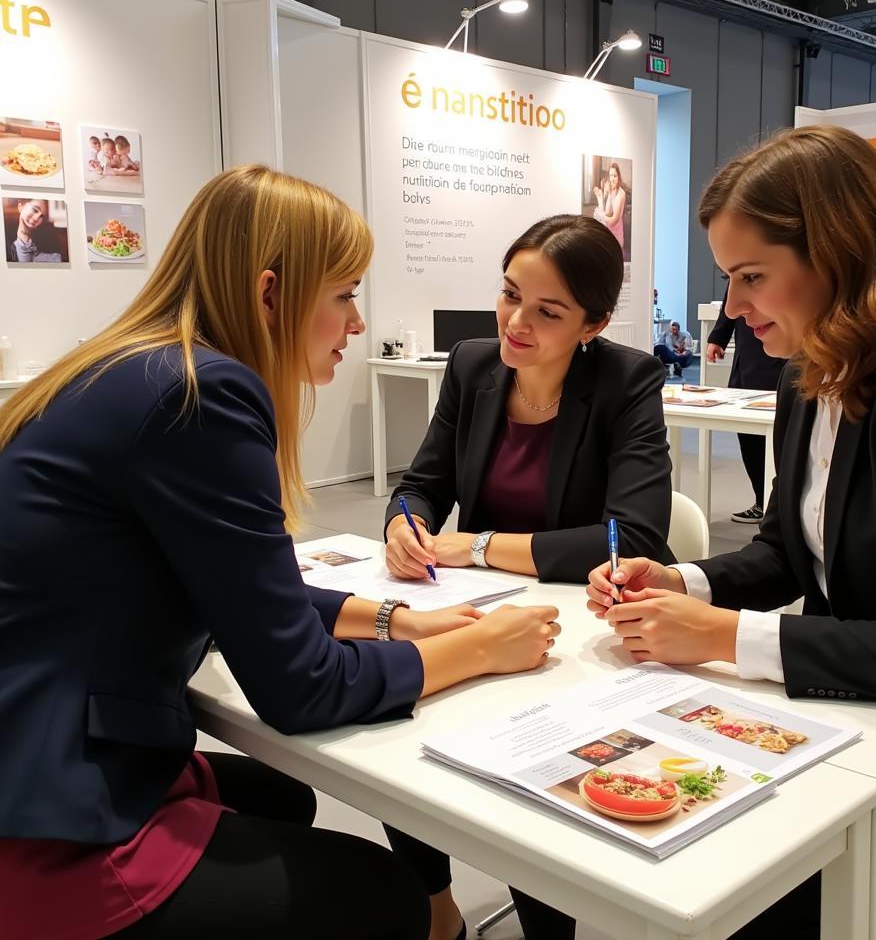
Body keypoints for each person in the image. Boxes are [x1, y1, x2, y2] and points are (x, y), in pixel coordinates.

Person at [0, 165, 561, 940]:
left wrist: (394, 618)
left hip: (39, 740)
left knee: (282, 798)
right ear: (271, 295)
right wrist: (480, 648)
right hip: (42, 820)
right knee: (383, 894)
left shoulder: (128, 366)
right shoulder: (200, 396)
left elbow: (236, 586)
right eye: (345, 295)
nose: (357, 323)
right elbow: (299, 691)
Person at [586, 124, 876, 940]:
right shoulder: (809, 373)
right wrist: (681, 582)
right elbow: (792, 551)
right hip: (870, 723)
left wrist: (722, 636)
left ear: (842, 254)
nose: (735, 308)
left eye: (752, 277)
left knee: (740, 878)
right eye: (729, 279)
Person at [382, 213, 673, 940]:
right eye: (510, 295)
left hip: (578, 632)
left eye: (548, 311)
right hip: (474, 611)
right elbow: (421, 482)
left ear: (593, 323)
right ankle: (433, 904)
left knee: (532, 779)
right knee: (386, 729)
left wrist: (475, 547)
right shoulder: (474, 365)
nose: (516, 322)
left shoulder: (626, 379)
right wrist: (403, 522)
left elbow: (632, 536)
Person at [705, 282, 786, 524]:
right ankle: (763, 500)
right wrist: (718, 337)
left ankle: (778, 506)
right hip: (748, 358)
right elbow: (731, 301)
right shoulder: (738, 290)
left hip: (779, 359)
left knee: (779, 435)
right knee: (748, 434)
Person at [7, 197, 65, 264]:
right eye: (35, 210)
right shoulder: (6, 241)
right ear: (21, 206)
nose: (37, 218)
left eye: (41, 216)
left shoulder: (48, 245)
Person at [591, 162, 626, 249]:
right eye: (611, 175)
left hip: (616, 237)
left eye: (615, 176)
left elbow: (613, 221)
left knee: (598, 214)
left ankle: (600, 200)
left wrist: (601, 214)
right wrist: (609, 193)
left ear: (619, 177)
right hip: (609, 228)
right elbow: (607, 212)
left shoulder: (621, 194)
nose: (612, 179)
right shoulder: (612, 190)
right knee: (597, 219)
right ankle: (600, 199)